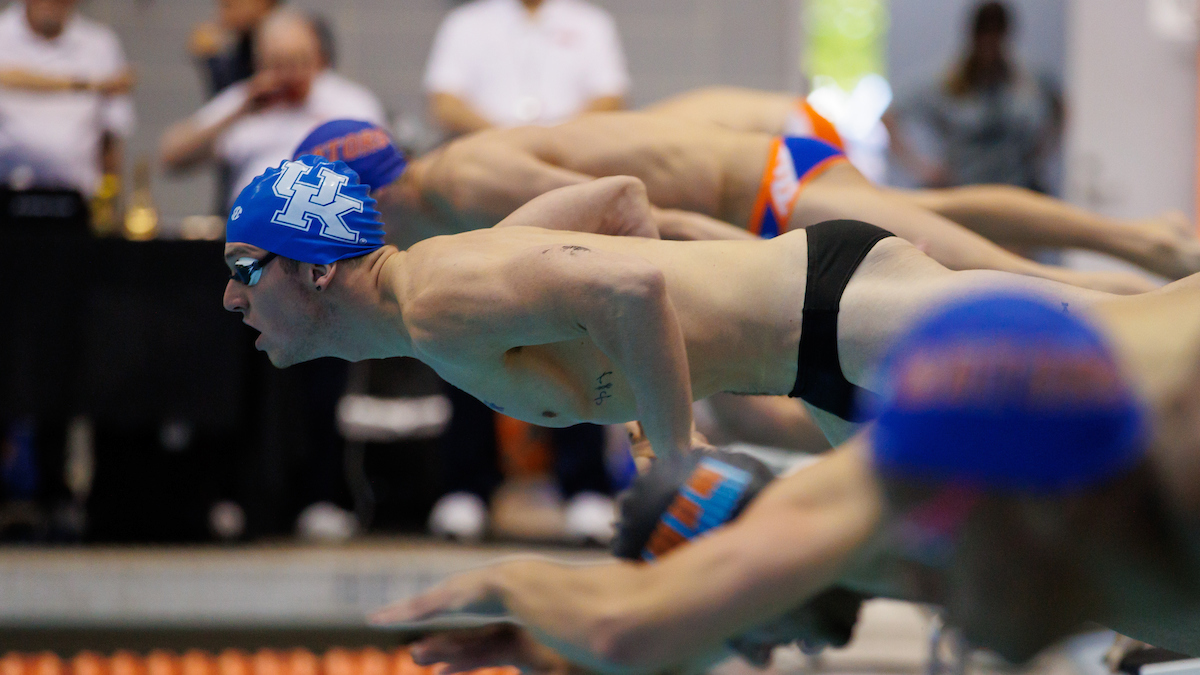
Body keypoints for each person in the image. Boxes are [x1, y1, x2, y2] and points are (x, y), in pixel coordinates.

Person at [372, 288, 1200, 671]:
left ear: (1051, 512)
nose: (931, 585)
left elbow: (630, 627)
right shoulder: (914, 486)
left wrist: (511, 585)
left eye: (938, 536)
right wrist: (561, 636)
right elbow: (637, 626)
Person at [318, 113, 1178, 293]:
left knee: (990, 272)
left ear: (373, 194)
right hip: (765, 174)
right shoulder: (452, 177)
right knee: (947, 221)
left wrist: (758, 265)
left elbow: (637, 220)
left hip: (768, 189)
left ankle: (1159, 294)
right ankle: (1146, 245)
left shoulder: (466, 186)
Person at [293, 121, 622, 544]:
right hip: (488, 280)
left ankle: (587, 485)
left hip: (556, 261)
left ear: (381, 194)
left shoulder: (465, 180)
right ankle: (468, 487)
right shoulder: (396, 213)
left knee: (562, 339)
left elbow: (607, 202)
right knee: (454, 340)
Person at [159, 9, 385, 208]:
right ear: (259, 63)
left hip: (328, 224)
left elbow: (385, 173)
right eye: (279, 64)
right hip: (251, 225)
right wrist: (239, 113)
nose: (291, 74)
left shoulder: (350, 102)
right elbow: (172, 156)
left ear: (318, 58)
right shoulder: (246, 99)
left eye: (300, 61)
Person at [884, 2, 1062, 191]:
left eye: (997, 33)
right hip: (962, 190)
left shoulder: (1027, 78)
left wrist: (1043, 151)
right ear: (973, 35)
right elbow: (889, 115)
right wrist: (922, 169)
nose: (990, 41)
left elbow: (1060, 106)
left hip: (1016, 187)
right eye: (985, 33)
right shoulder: (947, 81)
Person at [423, 0, 629, 136]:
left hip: (570, 154)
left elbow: (610, 99)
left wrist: (556, 141)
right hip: (484, 151)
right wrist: (504, 140)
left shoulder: (591, 22)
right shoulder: (465, 22)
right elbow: (445, 104)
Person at [0, 0, 135, 197]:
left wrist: (111, 197)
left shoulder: (100, 43)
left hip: (79, 196)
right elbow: (8, 77)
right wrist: (92, 84)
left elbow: (111, 135)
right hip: (6, 191)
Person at [188, 0, 280, 98]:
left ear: (261, 4)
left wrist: (211, 58)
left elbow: (237, 93)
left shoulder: (279, 45)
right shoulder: (247, 40)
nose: (222, 14)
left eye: (228, 6)